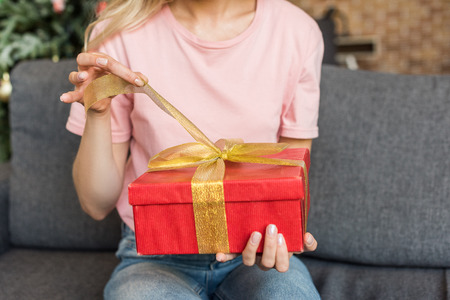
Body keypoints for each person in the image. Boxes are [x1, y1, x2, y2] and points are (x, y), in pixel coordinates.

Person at [60, 0, 323, 299]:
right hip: (152, 257)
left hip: (256, 254)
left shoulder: (297, 32)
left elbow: (292, 180)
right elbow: (96, 204)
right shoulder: (120, 32)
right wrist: (98, 114)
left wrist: (284, 236)